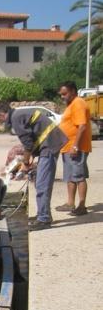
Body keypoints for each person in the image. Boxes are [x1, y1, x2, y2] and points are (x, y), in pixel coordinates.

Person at [0, 101, 67, 230]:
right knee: (40, 183)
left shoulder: (15, 118)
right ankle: (42, 214)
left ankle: (44, 219)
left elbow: (27, 144)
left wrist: (25, 163)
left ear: (2, 114)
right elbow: (31, 140)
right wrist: (28, 159)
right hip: (49, 143)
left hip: (49, 145)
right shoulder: (18, 114)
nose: (0, 121)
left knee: (42, 184)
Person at [55, 81, 92, 216]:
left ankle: (82, 205)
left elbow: (82, 126)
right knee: (70, 177)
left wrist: (75, 146)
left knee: (79, 176)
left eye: (64, 94)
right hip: (68, 148)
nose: (62, 97)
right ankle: (70, 203)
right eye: (61, 94)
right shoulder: (72, 104)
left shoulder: (78, 103)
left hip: (77, 147)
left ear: (73, 91)